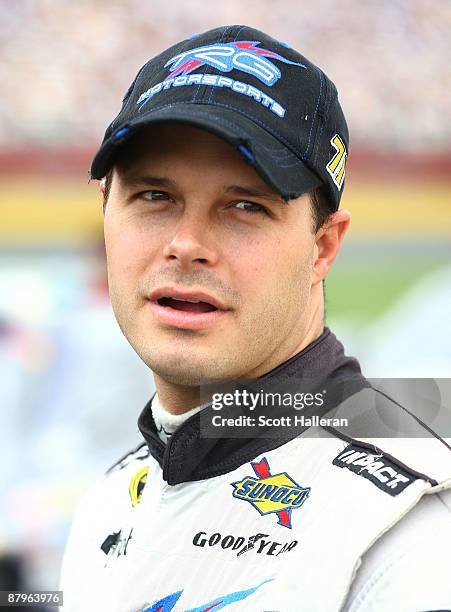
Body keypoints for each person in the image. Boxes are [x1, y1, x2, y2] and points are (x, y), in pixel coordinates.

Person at [60, 25, 451, 611]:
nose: (186, 243)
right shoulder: (114, 497)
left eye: (245, 206)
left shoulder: (407, 527)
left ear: (322, 248)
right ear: (105, 213)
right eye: (153, 196)